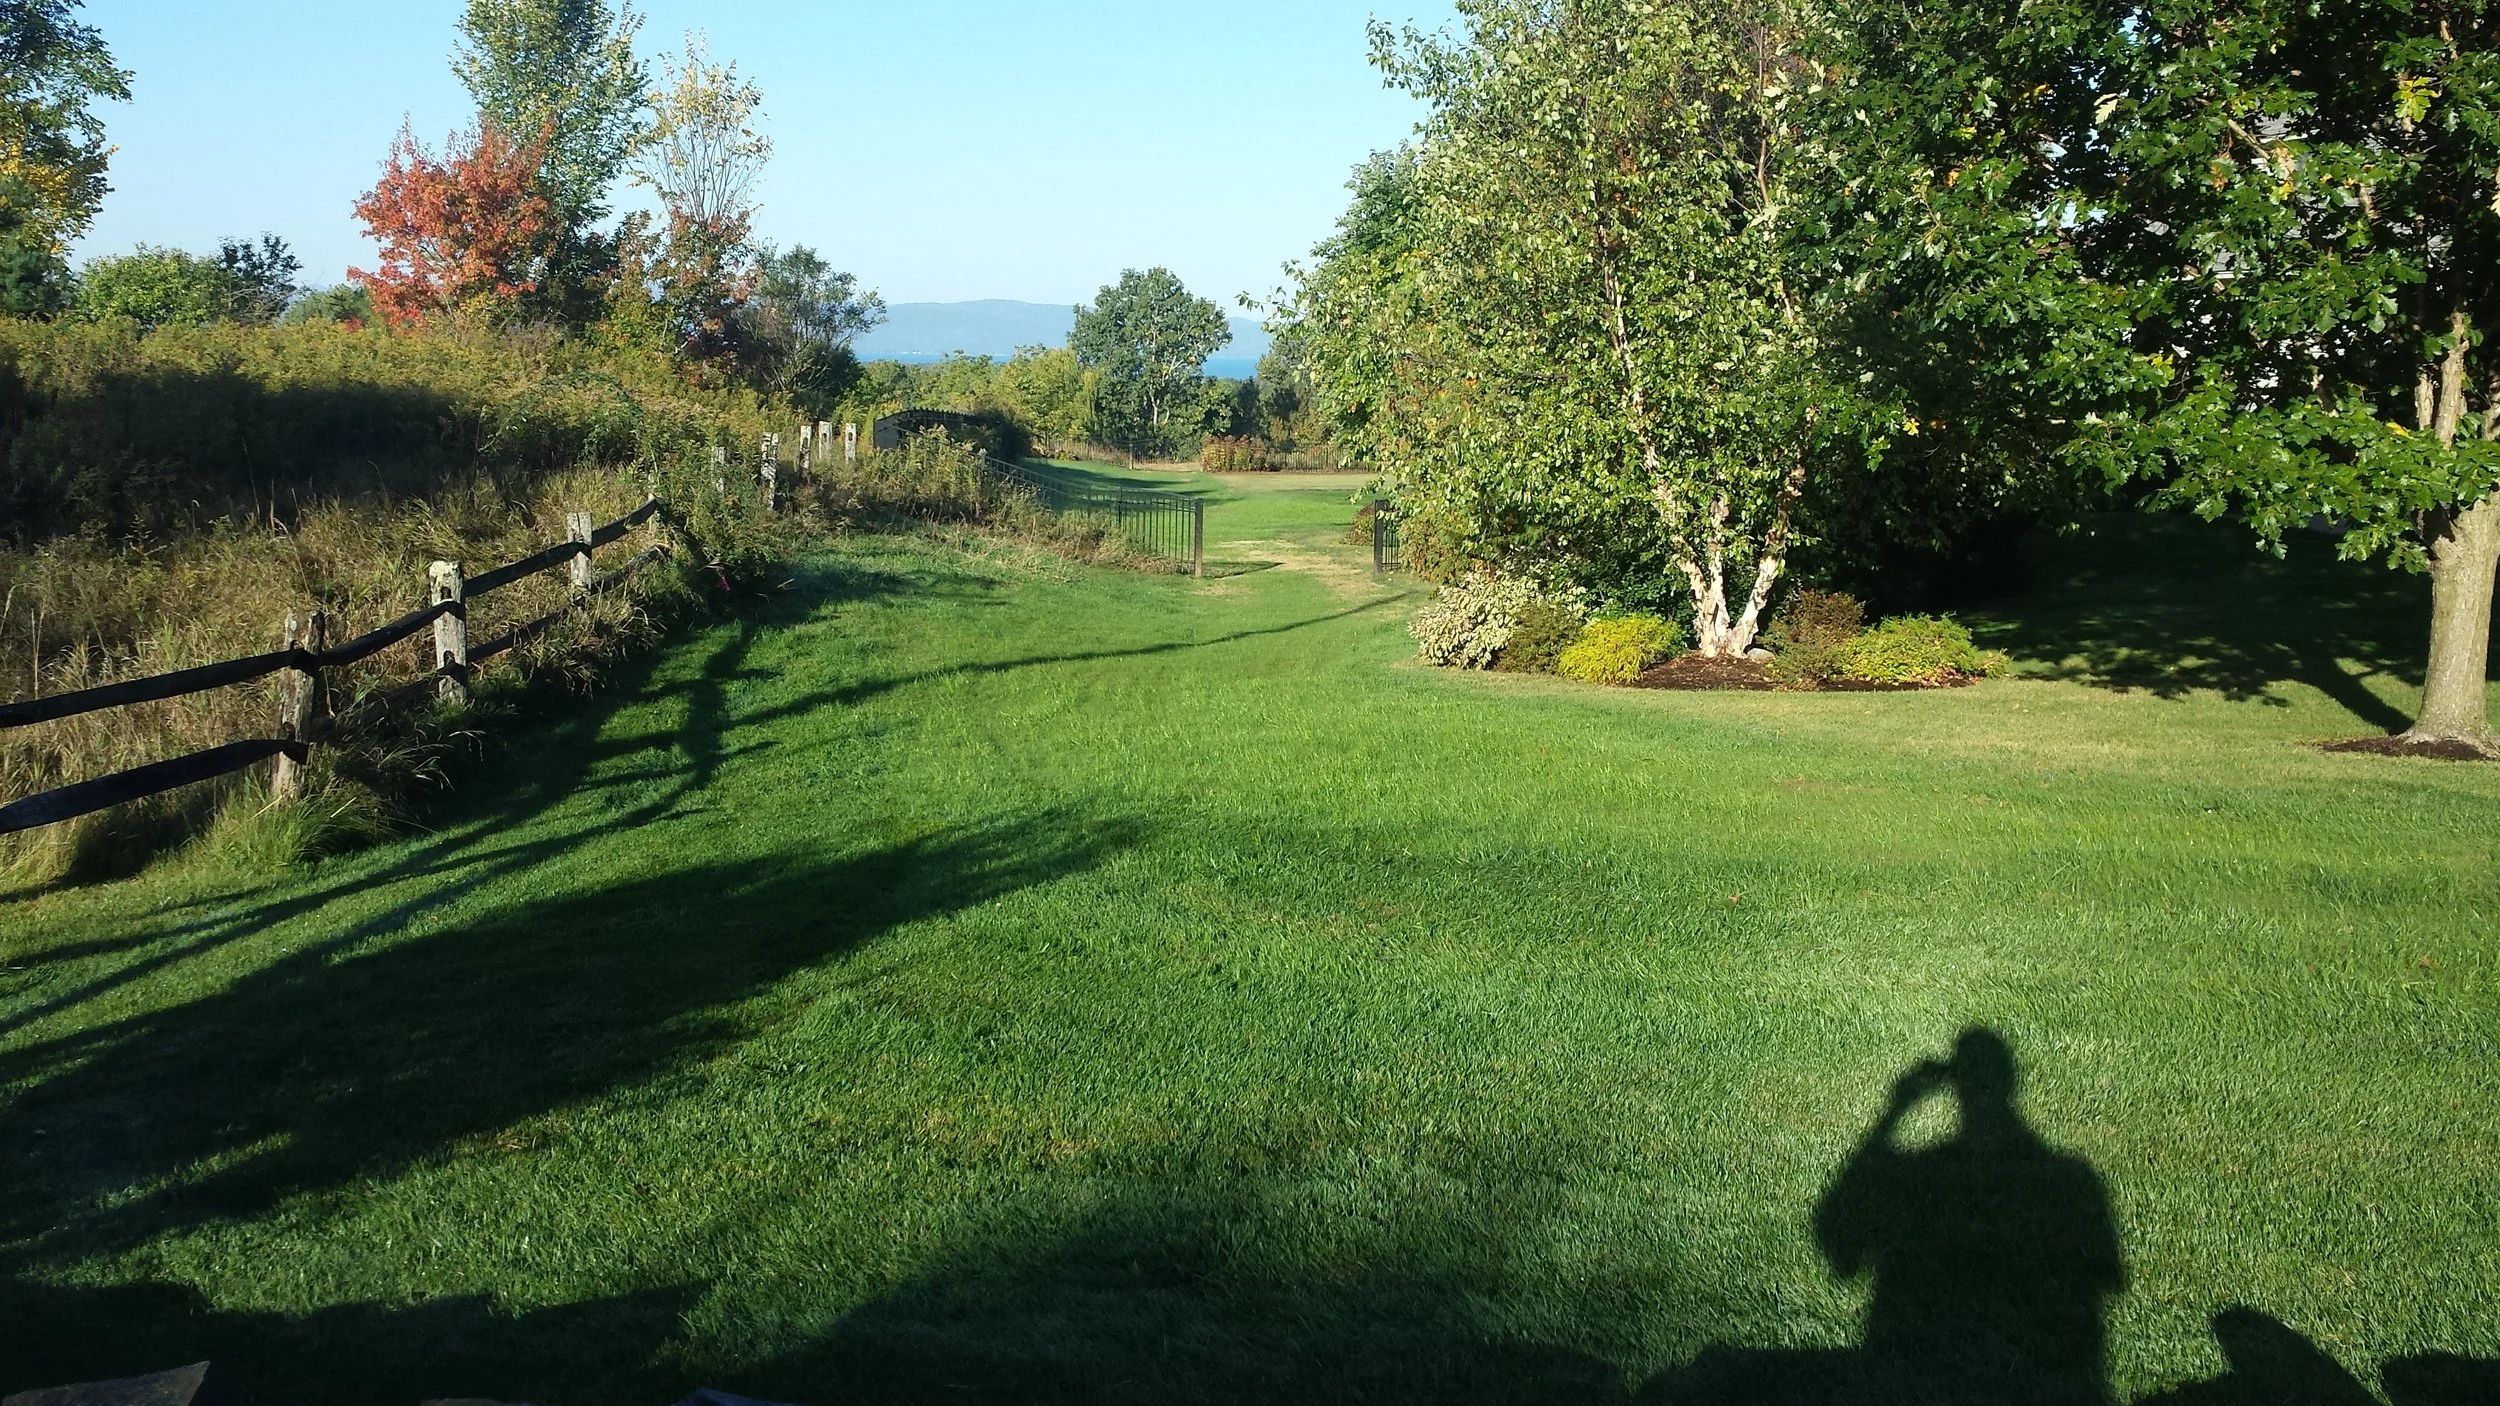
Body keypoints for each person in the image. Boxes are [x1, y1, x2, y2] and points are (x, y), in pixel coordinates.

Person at [1813, 1028, 2125, 1405]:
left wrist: (1897, 1108)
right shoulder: (2075, 1180)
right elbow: (2110, 1277)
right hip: (2047, 1379)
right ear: (2011, 1084)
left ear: (1955, 1088)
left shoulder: (1922, 1177)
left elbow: (1838, 1241)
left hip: (1930, 1375)